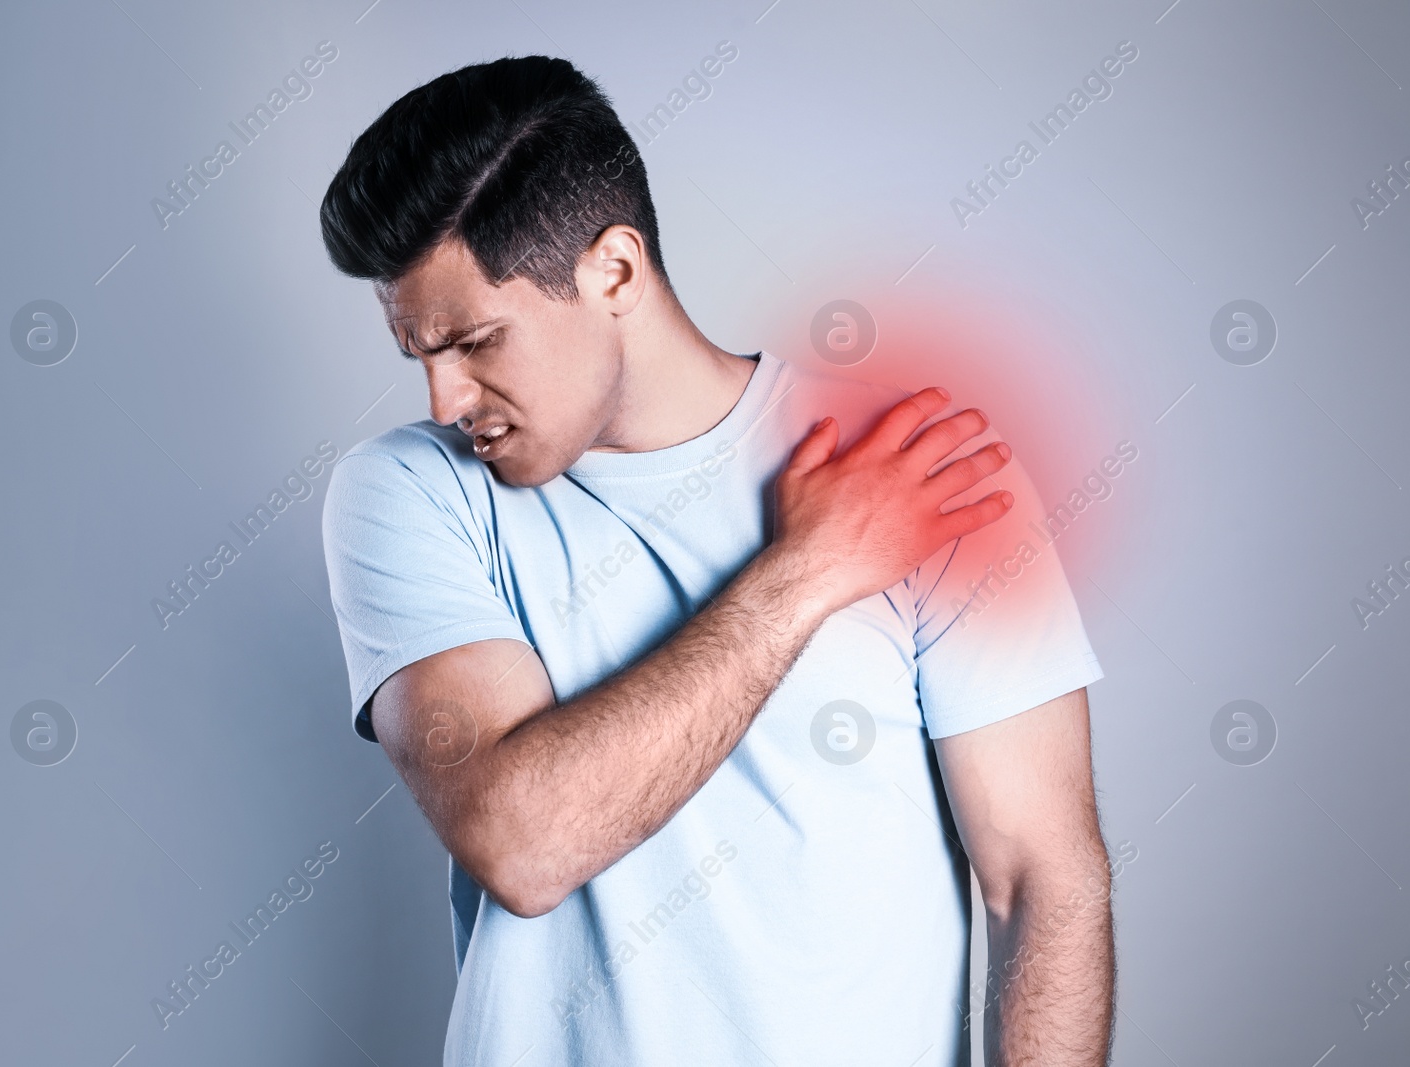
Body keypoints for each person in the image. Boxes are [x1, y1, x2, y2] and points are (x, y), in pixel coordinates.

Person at [318, 54, 1112, 1066]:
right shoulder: (409, 492)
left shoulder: (916, 469)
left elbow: (1043, 878)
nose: (444, 400)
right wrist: (809, 568)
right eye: (418, 353)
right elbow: (523, 841)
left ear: (613, 270)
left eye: (474, 342)